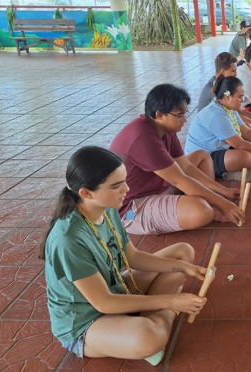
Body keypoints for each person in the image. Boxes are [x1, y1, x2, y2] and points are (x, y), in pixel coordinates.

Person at [41, 146, 208, 366]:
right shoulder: (68, 239)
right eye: (116, 186)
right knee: (149, 338)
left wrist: (182, 268)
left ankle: (146, 317)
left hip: (114, 288)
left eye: (125, 181)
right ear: (86, 193)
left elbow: (132, 256)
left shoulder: (107, 206)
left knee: (182, 252)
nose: (126, 190)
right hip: (87, 321)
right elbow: (104, 304)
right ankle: (155, 317)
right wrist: (171, 301)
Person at [110, 84, 245, 235]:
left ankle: (198, 201)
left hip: (158, 187)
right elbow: (179, 179)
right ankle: (205, 207)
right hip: (131, 208)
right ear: (160, 115)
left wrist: (223, 191)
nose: (184, 120)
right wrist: (224, 204)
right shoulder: (142, 137)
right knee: (201, 211)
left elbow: (186, 168)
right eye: (179, 115)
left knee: (202, 156)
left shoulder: (166, 128)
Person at [185, 76, 251, 180]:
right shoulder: (217, 115)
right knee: (249, 159)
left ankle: (238, 169)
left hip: (218, 149)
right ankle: (231, 171)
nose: (242, 100)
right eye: (240, 97)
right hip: (203, 159)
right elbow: (240, 144)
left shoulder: (228, 108)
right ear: (227, 97)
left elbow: (247, 131)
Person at [197, 52, 251, 136]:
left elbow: (239, 110)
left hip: (226, 119)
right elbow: (234, 116)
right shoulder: (214, 89)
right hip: (210, 129)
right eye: (233, 71)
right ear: (223, 71)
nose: (236, 74)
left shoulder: (224, 83)